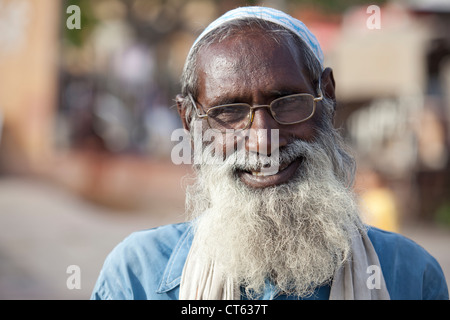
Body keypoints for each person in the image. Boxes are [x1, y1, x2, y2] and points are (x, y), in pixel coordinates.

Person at [91, 6, 448, 300]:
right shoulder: (136, 277)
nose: (262, 139)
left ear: (327, 96)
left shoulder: (410, 277)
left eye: (287, 102)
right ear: (190, 123)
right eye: (229, 111)